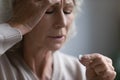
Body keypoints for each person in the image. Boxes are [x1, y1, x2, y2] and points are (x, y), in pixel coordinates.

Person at [0, 0, 116, 80]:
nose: (62, 23)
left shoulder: (79, 71)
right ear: (21, 13)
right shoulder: (3, 67)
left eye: (67, 11)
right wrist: (18, 24)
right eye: (49, 10)